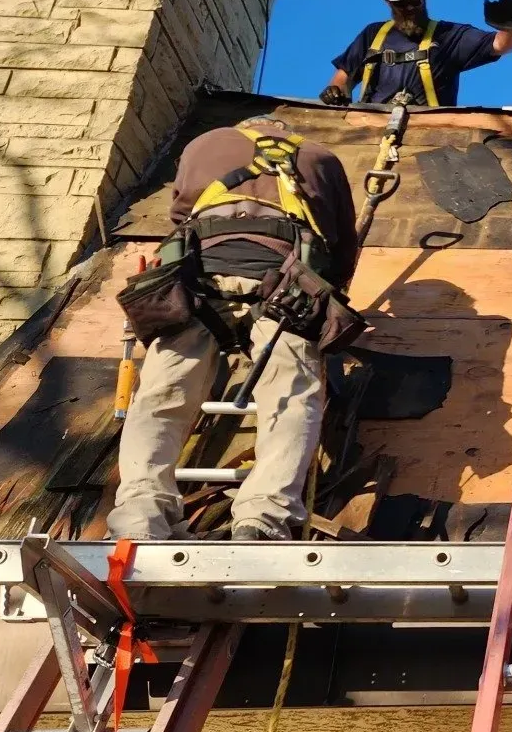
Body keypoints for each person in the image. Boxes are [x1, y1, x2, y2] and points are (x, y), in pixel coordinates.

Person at [109, 117, 360, 541]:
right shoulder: (321, 157)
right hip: (284, 283)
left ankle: (140, 513)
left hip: (198, 280)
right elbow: (340, 247)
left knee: (163, 395)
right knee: (290, 397)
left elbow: (179, 212)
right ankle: (263, 519)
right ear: (287, 131)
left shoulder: (207, 140)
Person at [320, 0, 512, 107]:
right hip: (369, 136)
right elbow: (342, 77)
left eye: (414, 1)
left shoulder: (449, 36)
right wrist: (335, 91)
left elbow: (500, 45)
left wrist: (508, 25)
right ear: (387, 1)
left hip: (428, 144)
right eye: (401, 3)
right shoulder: (373, 35)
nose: (409, 8)